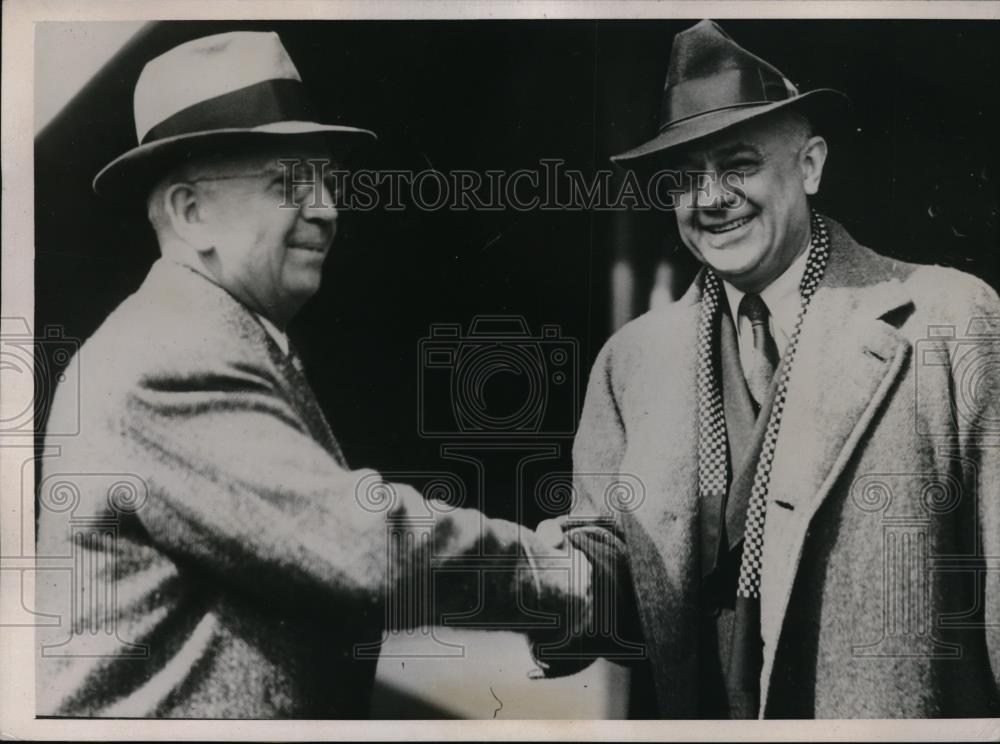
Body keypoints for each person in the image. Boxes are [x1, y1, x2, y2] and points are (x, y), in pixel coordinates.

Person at [36, 31, 589, 718]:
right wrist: (547, 570)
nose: (328, 208)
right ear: (191, 212)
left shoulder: (214, 335)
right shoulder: (172, 354)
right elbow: (357, 548)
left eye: (328, 180)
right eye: (288, 184)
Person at [533, 19, 1000, 718]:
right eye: (685, 178)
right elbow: (614, 580)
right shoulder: (631, 361)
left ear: (810, 165)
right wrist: (538, 576)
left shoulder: (949, 320)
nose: (710, 198)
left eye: (739, 165)